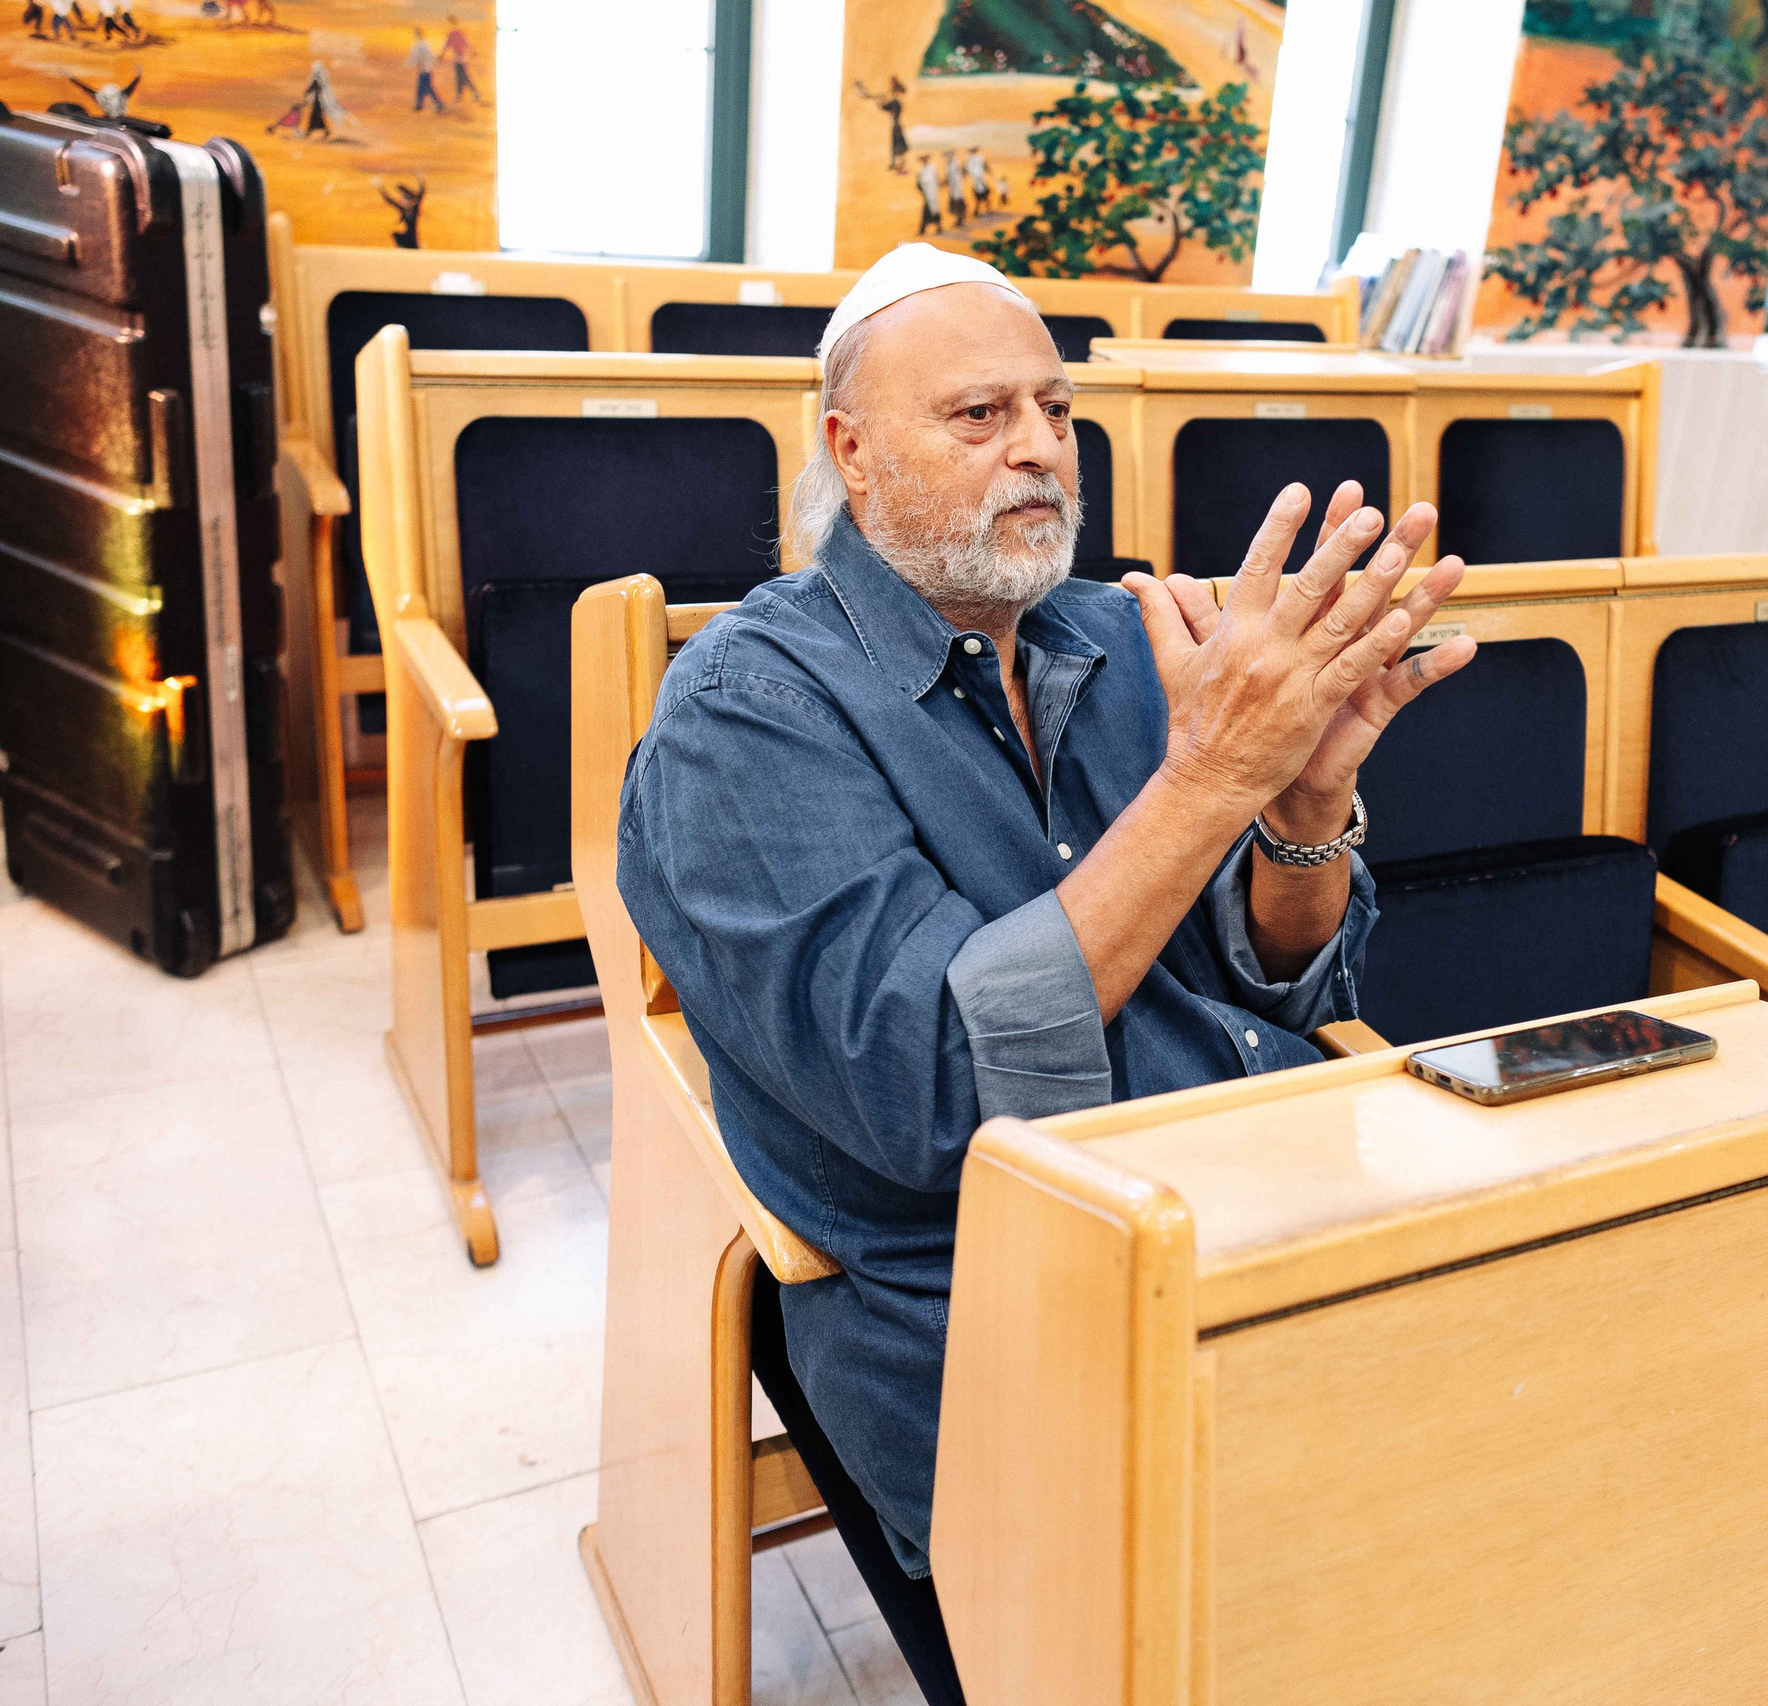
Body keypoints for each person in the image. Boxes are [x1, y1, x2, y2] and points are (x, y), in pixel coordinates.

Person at [618, 246, 1474, 1704]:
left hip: (1266, 1215)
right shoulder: (742, 713)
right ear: (851, 452)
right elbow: (946, 1090)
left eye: (1055, 410)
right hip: (998, 1327)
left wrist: (1304, 809)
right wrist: (1216, 774)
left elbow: (1290, 996)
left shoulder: (1120, 639)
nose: (1035, 448)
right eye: (976, 416)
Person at [856, 76, 908, 170]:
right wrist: (880, 101)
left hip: (896, 125)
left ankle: (896, 163)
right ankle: (898, 163)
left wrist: (878, 101)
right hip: (897, 125)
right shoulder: (897, 102)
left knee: (896, 144)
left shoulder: (895, 102)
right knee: (898, 143)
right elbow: (885, 107)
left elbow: (884, 107)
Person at [441, 17, 484, 104]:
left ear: (452, 23)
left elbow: (447, 45)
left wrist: (441, 55)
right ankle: (460, 96)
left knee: (463, 78)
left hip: (460, 59)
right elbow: (466, 43)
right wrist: (473, 51)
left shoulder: (453, 34)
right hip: (461, 59)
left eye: (450, 23)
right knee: (461, 78)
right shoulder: (459, 33)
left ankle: (474, 94)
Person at [407, 27, 445, 112]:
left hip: (423, 70)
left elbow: (414, 57)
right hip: (427, 70)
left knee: (427, 88)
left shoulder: (417, 46)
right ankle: (419, 105)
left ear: (417, 35)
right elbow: (431, 55)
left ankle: (438, 104)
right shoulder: (425, 44)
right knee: (421, 88)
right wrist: (438, 57)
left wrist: (408, 65)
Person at [914, 154, 942, 234]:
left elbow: (936, 179)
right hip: (927, 193)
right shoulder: (921, 170)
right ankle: (936, 226)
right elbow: (919, 183)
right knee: (932, 209)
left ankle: (926, 228)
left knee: (932, 209)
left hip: (933, 192)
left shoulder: (931, 168)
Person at [965, 146, 989, 216]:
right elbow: (967, 169)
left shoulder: (978, 158)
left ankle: (978, 209)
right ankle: (981, 208)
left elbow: (984, 165)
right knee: (979, 194)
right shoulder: (970, 159)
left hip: (979, 179)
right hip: (975, 180)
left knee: (980, 194)